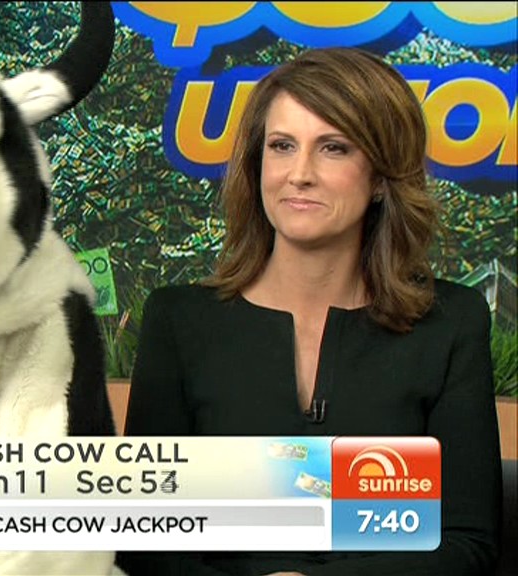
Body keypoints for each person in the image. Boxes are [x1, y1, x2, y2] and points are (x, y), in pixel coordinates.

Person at [116, 47, 501, 576]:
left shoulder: (450, 322)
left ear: (382, 177)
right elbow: (145, 541)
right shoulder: (179, 321)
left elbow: (466, 544)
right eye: (282, 146)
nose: (299, 174)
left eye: (333, 148)